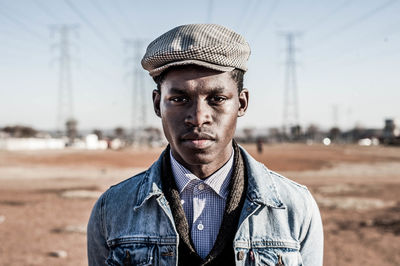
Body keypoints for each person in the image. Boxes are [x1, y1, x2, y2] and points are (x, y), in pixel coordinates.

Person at [87, 24, 323, 266]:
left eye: (217, 99)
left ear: (241, 104)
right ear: (157, 104)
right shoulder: (112, 209)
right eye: (179, 99)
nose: (199, 117)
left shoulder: (295, 207)